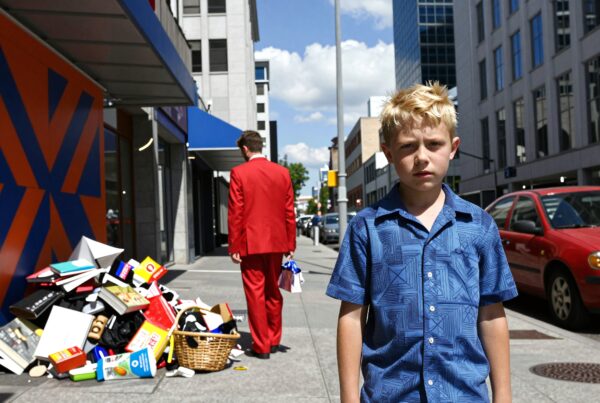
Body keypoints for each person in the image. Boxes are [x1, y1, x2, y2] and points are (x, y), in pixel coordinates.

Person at [326, 82, 518, 402]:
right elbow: (351, 316)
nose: (421, 158)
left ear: (452, 148)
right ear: (388, 153)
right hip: (391, 394)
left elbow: (492, 314)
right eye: (408, 147)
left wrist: (504, 395)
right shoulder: (367, 227)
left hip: (463, 394)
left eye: (433, 144)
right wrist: (348, 397)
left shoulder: (479, 226)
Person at [228, 130, 296, 359]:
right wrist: (290, 242)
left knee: (255, 293)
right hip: (277, 242)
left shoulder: (239, 173)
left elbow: (236, 212)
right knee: (273, 291)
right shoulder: (282, 173)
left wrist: (234, 245)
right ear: (261, 147)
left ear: (245, 149)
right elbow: (289, 210)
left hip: (251, 243)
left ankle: (262, 345)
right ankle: (274, 339)